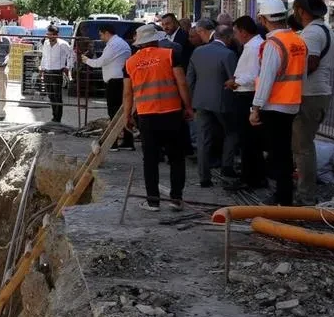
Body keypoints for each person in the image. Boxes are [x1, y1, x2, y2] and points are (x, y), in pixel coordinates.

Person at [123, 24, 193, 211]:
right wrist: (188, 107)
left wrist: (127, 116)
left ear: (139, 43)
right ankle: (176, 199)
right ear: (156, 39)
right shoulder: (170, 55)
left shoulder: (130, 63)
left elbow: (128, 94)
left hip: (146, 116)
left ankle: (152, 201)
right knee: (177, 158)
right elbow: (182, 83)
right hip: (172, 113)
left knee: (150, 160)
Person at [250, 0, 307, 206]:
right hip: (292, 103)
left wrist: (255, 107)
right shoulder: (298, 41)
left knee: (278, 153)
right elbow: (303, 74)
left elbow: (266, 80)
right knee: (284, 152)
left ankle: (282, 198)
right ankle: (284, 195)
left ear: (263, 19)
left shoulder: (273, 44)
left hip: (274, 105)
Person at [290, 0, 334, 205]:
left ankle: (305, 195)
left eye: (295, 8)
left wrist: (289, 80)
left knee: (303, 147)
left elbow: (312, 62)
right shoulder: (324, 30)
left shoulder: (311, 34)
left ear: (302, 11)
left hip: (310, 94)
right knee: (302, 145)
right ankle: (303, 188)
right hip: (318, 93)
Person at [187, 19, 240, 187]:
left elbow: (190, 79)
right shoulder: (228, 54)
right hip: (223, 101)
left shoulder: (198, 52)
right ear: (228, 38)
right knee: (232, 132)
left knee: (203, 139)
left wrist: (192, 100)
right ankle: (226, 166)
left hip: (201, 101)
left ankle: (204, 177)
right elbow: (234, 80)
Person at [225, 15, 267, 190]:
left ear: (243, 32)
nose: (234, 36)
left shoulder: (254, 47)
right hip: (246, 94)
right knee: (250, 141)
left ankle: (250, 178)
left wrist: (235, 82)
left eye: (235, 32)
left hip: (247, 95)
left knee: (248, 140)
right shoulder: (253, 45)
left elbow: (253, 76)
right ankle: (254, 176)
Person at [83, 24, 134, 149]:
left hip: (115, 83)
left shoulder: (113, 45)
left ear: (106, 33)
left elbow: (100, 62)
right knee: (123, 113)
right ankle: (127, 141)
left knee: (114, 113)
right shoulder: (120, 43)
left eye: (101, 34)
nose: (100, 38)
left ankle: (113, 142)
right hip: (121, 81)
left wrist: (86, 60)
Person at [38, 25, 74, 123]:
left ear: (56, 35)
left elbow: (71, 55)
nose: (48, 37)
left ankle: (58, 118)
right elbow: (44, 57)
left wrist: (68, 67)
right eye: (47, 34)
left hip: (57, 72)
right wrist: (42, 68)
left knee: (57, 96)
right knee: (51, 95)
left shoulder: (63, 44)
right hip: (47, 72)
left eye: (50, 35)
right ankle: (54, 116)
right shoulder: (45, 43)